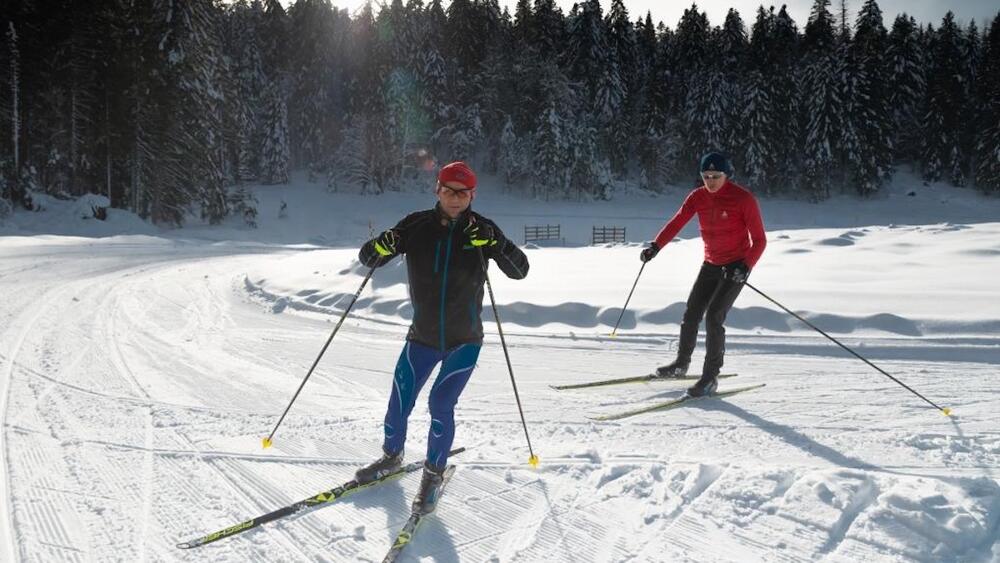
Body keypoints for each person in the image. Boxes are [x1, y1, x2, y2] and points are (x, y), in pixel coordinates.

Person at [354, 161, 529, 515]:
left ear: (472, 196)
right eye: (448, 190)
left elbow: (520, 270)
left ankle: (433, 475)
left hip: (465, 340)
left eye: (462, 193)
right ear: (437, 190)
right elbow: (368, 258)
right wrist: (382, 244)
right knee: (399, 399)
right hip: (422, 336)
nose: (454, 198)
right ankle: (391, 456)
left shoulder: (483, 230)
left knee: (441, 404)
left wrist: (496, 243)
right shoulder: (415, 225)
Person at [640, 152, 767, 397]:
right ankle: (681, 364)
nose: (710, 181)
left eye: (716, 176)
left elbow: (760, 240)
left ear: (727, 175)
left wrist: (746, 265)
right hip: (711, 264)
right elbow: (677, 222)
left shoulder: (743, 199)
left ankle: (710, 378)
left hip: (735, 267)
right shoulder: (697, 197)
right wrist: (656, 246)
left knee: (713, 317)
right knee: (691, 313)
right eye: (706, 176)